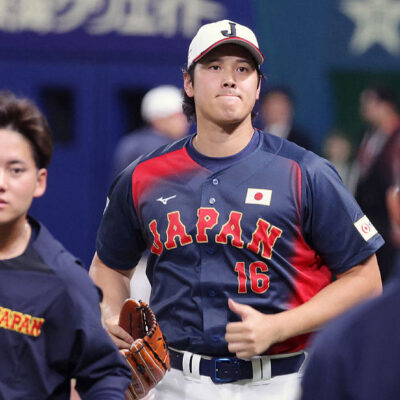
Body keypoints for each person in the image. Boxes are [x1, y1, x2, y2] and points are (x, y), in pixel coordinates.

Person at [89, 20, 383, 400]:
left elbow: (365, 280)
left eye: (243, 69)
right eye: (214, 68)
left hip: (281, 382)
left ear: (257, 87)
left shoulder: (306, 173)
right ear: (189, 83)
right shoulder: (143, 175)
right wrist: (111, 314)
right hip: (174, 381)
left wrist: (279, 327)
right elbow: (109, 264)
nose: (230, 79)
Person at [0, 91, 131, 399]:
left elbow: (105, 375)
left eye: (15, 170)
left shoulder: (62, 281)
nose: (1, 182)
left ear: (39, 181)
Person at [300, 187, 400, 400]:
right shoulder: (344, 343)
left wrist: (276, 326)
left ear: (395, 207)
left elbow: (368, 283)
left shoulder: (345, 343)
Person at [355, 86, 400, 283]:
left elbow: (396, 185)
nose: (364, 108)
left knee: (387, 271)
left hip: (387, 217)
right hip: (369, 215)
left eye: (369, 103)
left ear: (385, 105)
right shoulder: (371, 135)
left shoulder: (397, 136)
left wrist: (396, 223)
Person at [112, 84, 189, 176]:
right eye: (178, 116)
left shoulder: (132, 142)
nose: (186, 122)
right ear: (159, 118)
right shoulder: (155, 148)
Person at [259, 86, 313, 150]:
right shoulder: (254, 138)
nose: (275, 110)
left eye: (279, 105)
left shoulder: (301, 141)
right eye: (271, 104)